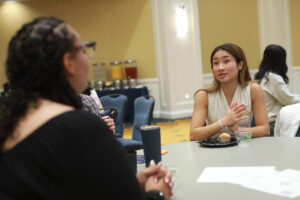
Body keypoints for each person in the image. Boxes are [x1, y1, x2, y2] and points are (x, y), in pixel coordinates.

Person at [0, 17, 173, 200]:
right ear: (68, 63)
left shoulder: (8, 125)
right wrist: (157, 193)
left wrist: (131, 186)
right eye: (83, 50)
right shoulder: (79, 127)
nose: (88, 59)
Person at [190, 43, 270, 141]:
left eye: (226, 61)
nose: (220, 68)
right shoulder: (203, 95)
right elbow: (193, 135)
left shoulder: (254, 90)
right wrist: (223, 122)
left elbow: (265, 130)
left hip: (242, 146)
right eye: (216, 63)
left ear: (240, 65)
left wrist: (238, 130)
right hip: (214, 150)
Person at [254, 44, 300, 135]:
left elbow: (286, 97)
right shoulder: (273, 78)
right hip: (272, 123)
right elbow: (289, 100)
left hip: (262, 122)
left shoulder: (263, 76)